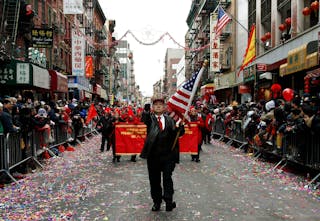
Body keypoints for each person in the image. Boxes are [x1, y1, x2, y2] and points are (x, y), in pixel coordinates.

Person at [140, 96, 185, 212]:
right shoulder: (149, 119)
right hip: (153, 156)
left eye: (160, 104)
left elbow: (177, 134)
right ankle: (157, 202)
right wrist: (145, 110)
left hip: (168, 155)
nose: (158, 106)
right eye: (155, 104)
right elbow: (144, 118)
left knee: (167, 178)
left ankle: (169, 201)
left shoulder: (170, 120)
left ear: (165, 107)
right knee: (154, 180)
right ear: (153, 107)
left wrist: (181, 129)